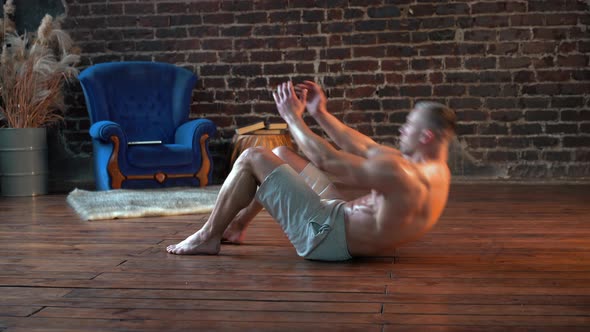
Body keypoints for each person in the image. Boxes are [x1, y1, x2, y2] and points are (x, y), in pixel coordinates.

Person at [167, 81, 456, 261]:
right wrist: (320, 113)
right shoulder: (434, 171)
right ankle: (237, 226)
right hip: (341, 220)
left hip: (324, 238)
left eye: (409, 124)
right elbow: (365, 147)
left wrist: (292, 118)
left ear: (426, 137)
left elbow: (326, 159)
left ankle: (207, 236)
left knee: (252, 156)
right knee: (280, 155)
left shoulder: (402, 173)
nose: (403, 129)